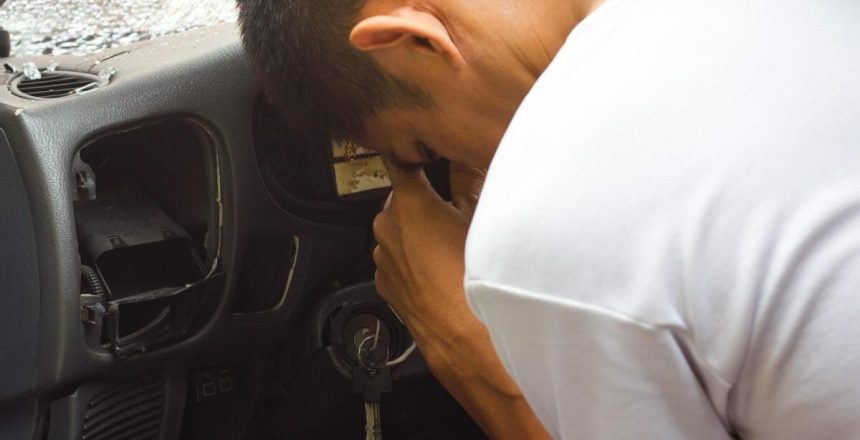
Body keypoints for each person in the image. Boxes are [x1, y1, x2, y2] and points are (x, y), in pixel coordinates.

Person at [236, 0, 860, 438]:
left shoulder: (545, 220)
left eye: (424, 148)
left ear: (416, 41)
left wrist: (469, 352)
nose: (472, 171)